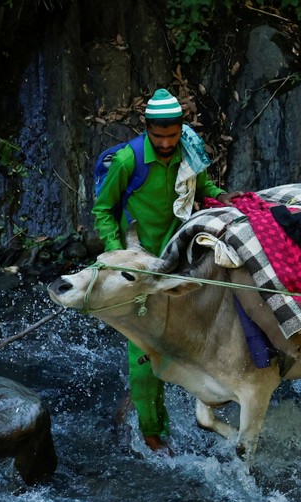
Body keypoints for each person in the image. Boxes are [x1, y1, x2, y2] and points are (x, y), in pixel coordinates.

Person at [92, 88, 238, 452]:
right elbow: (102, 210)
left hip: (181, 259)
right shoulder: (129, 161)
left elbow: (199, 185)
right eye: (159, 137)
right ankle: (152, 432)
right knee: (143, 351)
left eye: (172, 135)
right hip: (140, 267)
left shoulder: (186, 149)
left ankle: (207, 401)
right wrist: (120, 256)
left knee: (199, 331)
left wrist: (221, 197)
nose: (167, 143)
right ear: (147, 130)